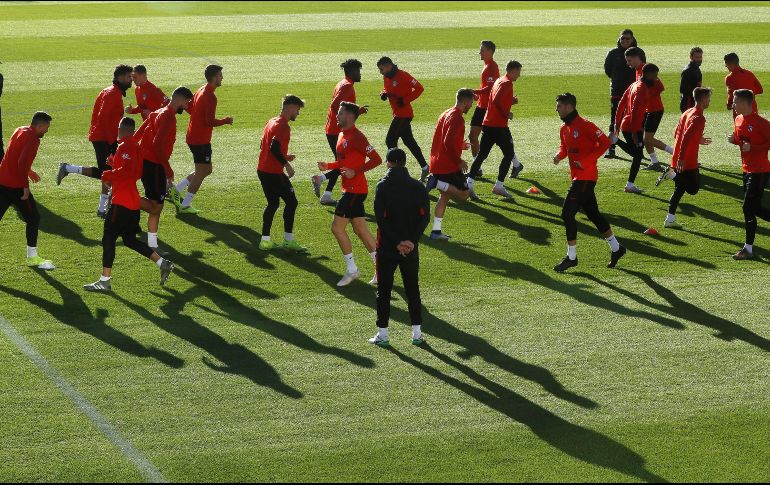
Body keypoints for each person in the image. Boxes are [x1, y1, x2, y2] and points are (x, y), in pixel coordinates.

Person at [84, 117, 174, 291]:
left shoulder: (126, 146)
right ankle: (162, 263)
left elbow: (129, 171)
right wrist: (114, 163)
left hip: (122, 203)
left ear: (121, 129)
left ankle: (104, 281)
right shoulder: (134, 146)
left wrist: (109, 174)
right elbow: (136, 172)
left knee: (109, 237)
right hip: (132, 204)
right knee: (130, 240)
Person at [551, 93, 626, 272]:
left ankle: (572, 257)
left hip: (586, 177)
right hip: (578, 177)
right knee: (594, 215)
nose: (557, 109)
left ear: (569, 106)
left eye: (559, 106)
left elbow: (606, 142)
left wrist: (587, 161)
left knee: (567, 214)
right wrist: (559, 156)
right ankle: (617, 248)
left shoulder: (586, 126)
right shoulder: (564, 128)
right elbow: (565, 147)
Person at [369, 148, 430, 347]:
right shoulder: (417, 186)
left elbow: (381, 220)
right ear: (404, 163)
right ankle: (417, 334)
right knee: (412, 289)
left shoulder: (383, 186)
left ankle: (383, 334)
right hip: (411, 249)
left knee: (384, 290)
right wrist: (411, 241)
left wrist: (397, 242)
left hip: (387, 247)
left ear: (388, 163)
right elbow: (424, 217)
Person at [317, 101, 382, 287]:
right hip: (350, 189)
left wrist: (356, 171)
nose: (336, 116)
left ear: (350, 116)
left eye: (340, 113)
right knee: (360, 230)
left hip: (355, 190)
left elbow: (377, 159)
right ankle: (381, 270)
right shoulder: (341, 135)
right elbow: (342, 162)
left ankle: (352, 269)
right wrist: (328, 166)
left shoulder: (358, 137)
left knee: (337, 228)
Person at [56, 64, 133, 217]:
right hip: (103, 139)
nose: (131, 80)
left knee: (108, 172)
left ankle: (102, 209)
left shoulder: (111, 91)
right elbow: (103, 119)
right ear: (120, 77)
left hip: (103, 138)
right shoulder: (112, 94)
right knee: (108, 174)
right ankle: (69, 169)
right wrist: (112, 143)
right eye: (128, 77)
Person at [135, 86, 194, 250]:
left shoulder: (158, 111)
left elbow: (140, 131)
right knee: (156, 207)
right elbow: (157, 145)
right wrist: (168, 169)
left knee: (157, 206)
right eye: (187, 102)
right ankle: (124, 199)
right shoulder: (168, 117)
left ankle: (153, 244)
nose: (187, 106)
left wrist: (128, 144)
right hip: (155, 165)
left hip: (147, 162)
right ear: (180, 99)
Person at [170, 64, 234, 214]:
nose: (222, 77)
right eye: (220, 75)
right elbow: (209, 121)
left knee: (207, 169)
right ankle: (185, 205)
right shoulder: (210, 96)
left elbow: (189, 108)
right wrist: (225, 120)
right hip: (200, 140)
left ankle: (177, 190)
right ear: (214, 77)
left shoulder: (200, 90)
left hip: (194, 136)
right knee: (201, 171)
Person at [0, 111, 54, 270]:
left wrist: (29, 172)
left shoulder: (20, 130)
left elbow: (12, 156)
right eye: (46, 128)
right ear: (40, 125)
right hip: (15, 187)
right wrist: (25, 186)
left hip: (2, 181)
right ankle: (32, 257)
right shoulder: (33, 139)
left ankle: (32, 257)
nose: (47, 131)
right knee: (33, 218)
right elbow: (21, 163)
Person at [312, 59, 367, 206]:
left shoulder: (342, 83)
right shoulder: (347, 86)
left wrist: (357, 112)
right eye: (358, 71)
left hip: (334, 129)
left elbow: (342, 108)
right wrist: (342, 122)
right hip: (337, 131)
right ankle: (321, 180)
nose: (360, 74)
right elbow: (335, 105)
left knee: (342, 163)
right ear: (352, 71)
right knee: (343, 164)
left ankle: (327, 194)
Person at [655, 87, 713, 228]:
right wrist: (682, 158)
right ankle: (671, 174)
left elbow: (677, 133)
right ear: (703, 99)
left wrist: (697, 139)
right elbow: (686, 136)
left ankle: (670, 219)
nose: (709, 100)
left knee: (679, 190)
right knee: (693, 188)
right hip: (687, 160)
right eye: (709, 98)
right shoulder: (699, 117)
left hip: (678, 157)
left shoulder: (687, 112)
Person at [466, 60, 524, 200]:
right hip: (499, 126)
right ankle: (498, 186)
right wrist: (506, 114)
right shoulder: (507, 83)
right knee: (509, 154)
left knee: (482, 155)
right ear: (513, 70)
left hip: (488, 123)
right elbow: (497, 101)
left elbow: (494, 99)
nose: (519, 75)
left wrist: (510, 101)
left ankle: (469, 184)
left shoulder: (500, 80)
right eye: (519, 72)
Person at [257, 95, 307, 252]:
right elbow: (273, 147)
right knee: (292, 202)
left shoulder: (271, 121)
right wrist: (287, 165)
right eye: (297, 110)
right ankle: (288, 240)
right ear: (290, 107)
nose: (298, 113)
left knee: (273, 204)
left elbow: (263, 145)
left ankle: (265, 241)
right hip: (273, 171)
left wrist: (284, 156)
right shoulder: (283, 126)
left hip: (263, 169)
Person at [425, 88, 474, 240]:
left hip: (437, 162)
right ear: (465, 101)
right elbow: (447, 142)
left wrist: (460, 145)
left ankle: (436, 231)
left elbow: (445, 140)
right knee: (464, 194)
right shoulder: (457, 118)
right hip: (448, 165)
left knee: (445, 196)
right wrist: (458, 160)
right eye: (471, 103)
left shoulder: (446, 113)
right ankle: (437, 182)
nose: (471, 106)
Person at [728, 89, 770, 260]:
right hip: (746, 169)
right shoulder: (738, 119)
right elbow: (743, 141)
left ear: (745, 103)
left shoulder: (761, 123)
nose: (733, 105)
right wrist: (734, 140)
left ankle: (748, 249)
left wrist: (754, 148)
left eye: (735, 102)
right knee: (756, 208)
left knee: (747, 207)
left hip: (760, 170)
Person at [377, 56, 429, 182]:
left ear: (389, 66)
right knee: (409, 142)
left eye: (381, 69)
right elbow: (388, 89)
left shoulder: (404, 75)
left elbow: (419, 88)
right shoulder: (386, 77)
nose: (381, 72)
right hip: (397, 114)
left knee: (390, 140)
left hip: (404, 115)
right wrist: (384, 93)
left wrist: (405, 100)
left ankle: (394, 172)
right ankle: (425, 167)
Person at [612, 63, 659, 194]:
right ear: (648, 74)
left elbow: (621, 103)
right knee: (637, 155)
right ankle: (616, 141)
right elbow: (635, 110)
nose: (656, 79)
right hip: (632, 126)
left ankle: (630, 185)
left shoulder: (634, 84)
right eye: (655, 76)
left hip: (627, 124)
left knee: (637, 155)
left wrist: (616, 123)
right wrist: (634, 132)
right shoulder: (642, 88)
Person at [604, 29, 638, 159]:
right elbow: (608, 70)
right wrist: (617, 80)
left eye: (627, 39)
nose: (624, 41)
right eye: (623, 38)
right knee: (615, 121)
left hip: (633, 93)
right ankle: (611, 147)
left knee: (635, 120)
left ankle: (636, 146)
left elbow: (641, 70)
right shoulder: (613, 53)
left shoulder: (638, 52)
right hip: (617, 92)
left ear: (632, 39)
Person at [470, 40, 500, 160]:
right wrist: (477, 96)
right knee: (472, 136)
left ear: (489, 51)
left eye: (482, 50)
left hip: (488, 108)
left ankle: (516, 163)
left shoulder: (492, 66)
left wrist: (474, 92)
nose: (479, 52)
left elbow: (491, 87)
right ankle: (476, 168)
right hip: (481, 106)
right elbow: (486, 87)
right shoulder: (487, 65)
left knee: (499, 138)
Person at [724, 52, 763, 117]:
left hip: (739, 111)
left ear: (730, 64)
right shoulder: (750, 74)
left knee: (741, 127)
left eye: (726, 64)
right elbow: (760, 90)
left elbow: (731, 95)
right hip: (752, 109)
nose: (726, 66)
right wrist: (748, 95)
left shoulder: (729, 78)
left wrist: (729, 105)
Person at [680, 47, 703, 113]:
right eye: (696, 57)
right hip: (688, 104)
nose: (699, 59)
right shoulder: (688, 71)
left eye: (700, 57)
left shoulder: (695, 68)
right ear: (691, 57)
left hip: (693, 102)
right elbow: (683, 90)